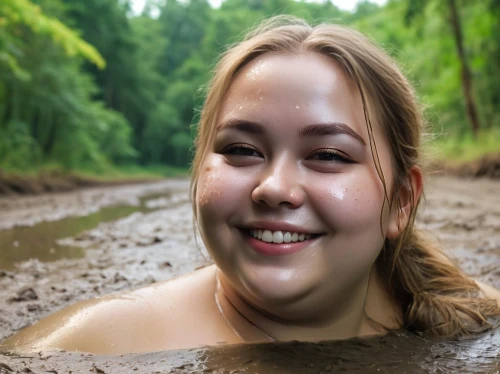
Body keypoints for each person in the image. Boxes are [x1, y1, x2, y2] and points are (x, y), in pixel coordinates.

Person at [2, 16, 499, 355]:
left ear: (401, 201)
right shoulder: (88, 345)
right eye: (241, 150)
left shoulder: (459, 308)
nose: (274, 187)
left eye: (328, 155)